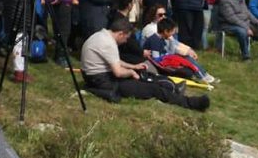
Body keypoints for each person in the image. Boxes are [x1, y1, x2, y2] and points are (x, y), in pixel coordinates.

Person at [80, 16, 209, 110]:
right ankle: (190, 103)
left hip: (95, 77)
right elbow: (118, 73)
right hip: (103, 81)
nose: (125, 41)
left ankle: (171, 88)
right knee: (152, 89)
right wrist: (131, 72)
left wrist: (134, 67)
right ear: (120, 34)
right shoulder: (109, 43)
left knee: (142, 74)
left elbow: (115, 61)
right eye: (126, 38)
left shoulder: (101, 35)